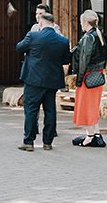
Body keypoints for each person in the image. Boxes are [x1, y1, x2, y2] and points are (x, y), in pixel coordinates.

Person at [16, 12, 71, 151]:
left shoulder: (33, 36)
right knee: (50, 110)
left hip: (33, 79)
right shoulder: (63, 41)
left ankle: (28, 141)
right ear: (53, 24)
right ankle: (48, 142)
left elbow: (19, 48)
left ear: (40, 23)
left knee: (31, 110)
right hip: (52, 80)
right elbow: (66, 60)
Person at [70, 9, 107, 148]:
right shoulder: (102, 36)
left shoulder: (88, 38)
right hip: (98, 75)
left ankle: (90, 136)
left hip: (87, 76)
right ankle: (95, 135)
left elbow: (83, 61)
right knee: (92, 107)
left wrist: (79, 79)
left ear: (85, 22)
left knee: (87, 108)